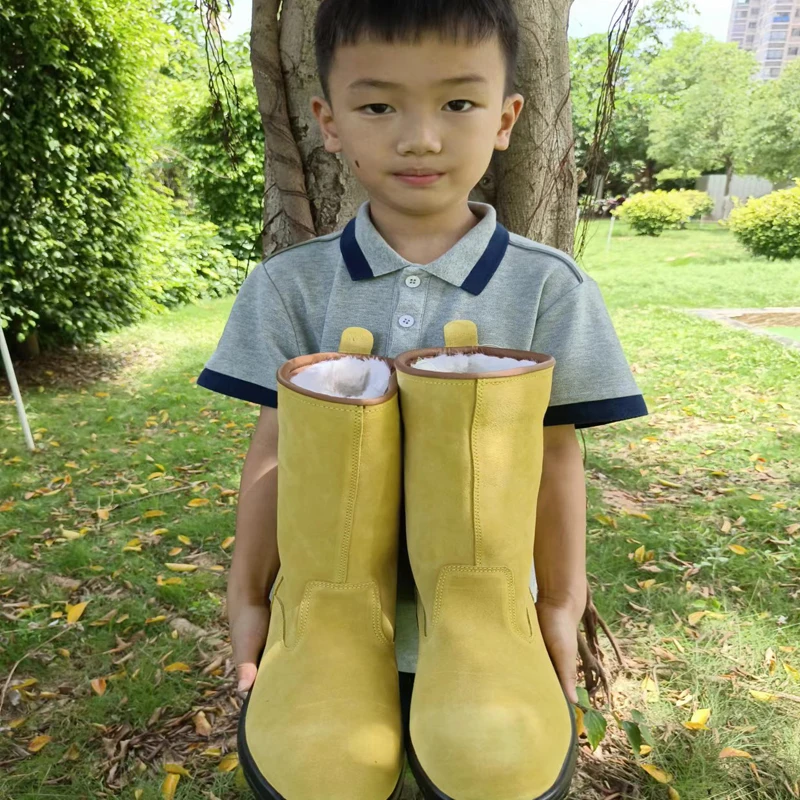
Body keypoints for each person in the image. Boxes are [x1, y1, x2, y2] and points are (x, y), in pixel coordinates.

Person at [198, 0, 647, 731]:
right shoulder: (288, 286)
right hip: (325, 625)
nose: (420, 138)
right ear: (328, 119)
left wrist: (560, 603)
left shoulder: (549, 288)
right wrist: (248, 594)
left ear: (505, 119)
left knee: (482, 766)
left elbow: (557, 452)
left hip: (489, 629)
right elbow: (275, 446)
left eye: (459, 102)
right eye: (378, 105)